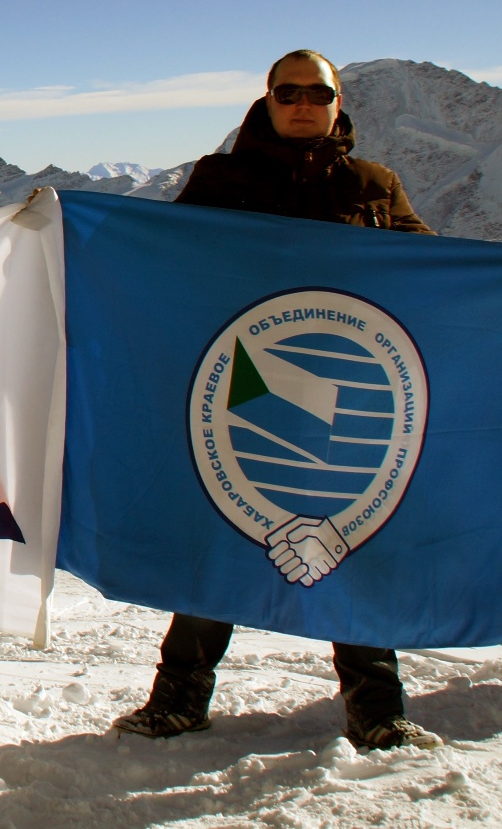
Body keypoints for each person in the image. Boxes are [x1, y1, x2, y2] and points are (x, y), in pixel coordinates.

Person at [112, 48, 443, 751]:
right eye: (287, 91)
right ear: (266, 100)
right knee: (223, 541)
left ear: (336, 103)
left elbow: (431, 274)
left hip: (348, 393)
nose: (302, 103)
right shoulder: (220, 178)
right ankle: (177, 702)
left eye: (316, 93)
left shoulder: (373, 184)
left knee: (349, 546)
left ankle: (377, 713)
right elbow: (166, 262)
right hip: (237, 393)